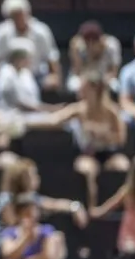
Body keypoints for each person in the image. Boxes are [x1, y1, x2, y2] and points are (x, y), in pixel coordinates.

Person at [43, 72, 130, 207]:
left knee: (123, 166)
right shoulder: (79, 109)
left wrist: (102, 135)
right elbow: (54, 120)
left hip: (108, 153)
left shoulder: (111, 111)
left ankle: (121, 206)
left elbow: (121, 138)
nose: (80, 90)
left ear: (95, 89)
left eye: (84, 87)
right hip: (87, 154)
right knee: (88, 171)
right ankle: (92, 208)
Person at [90, 157, 135, 258]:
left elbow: (108, 207)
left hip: (130, 226)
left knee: (129, 255)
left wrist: (95, 212)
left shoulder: (126, 191)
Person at [66, 21, 122, 94]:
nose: (91, 44)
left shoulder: (112, 45)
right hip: (85, 77)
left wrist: (102, 81)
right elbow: (77, 72)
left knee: (115, 86)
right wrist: (75, 53)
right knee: (73, 86)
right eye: (87, 41)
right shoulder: (79, 47)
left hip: (104, 77)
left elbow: (114, 72)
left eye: (94, 40)